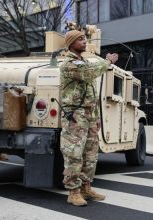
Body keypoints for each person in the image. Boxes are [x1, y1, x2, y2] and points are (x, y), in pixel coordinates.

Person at [60, 30, 118, 206]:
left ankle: (86, 187)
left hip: (89, 115)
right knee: (74, 154)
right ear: (70, 43)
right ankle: (73, 192)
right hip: (75, 115)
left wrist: (96, 117)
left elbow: (91, 94)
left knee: (91, 153)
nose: (84, 41)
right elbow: (89, 73)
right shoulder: (69, 64)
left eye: (84, 38)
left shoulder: (82, 62)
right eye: (79, 39)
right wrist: (107, 61)